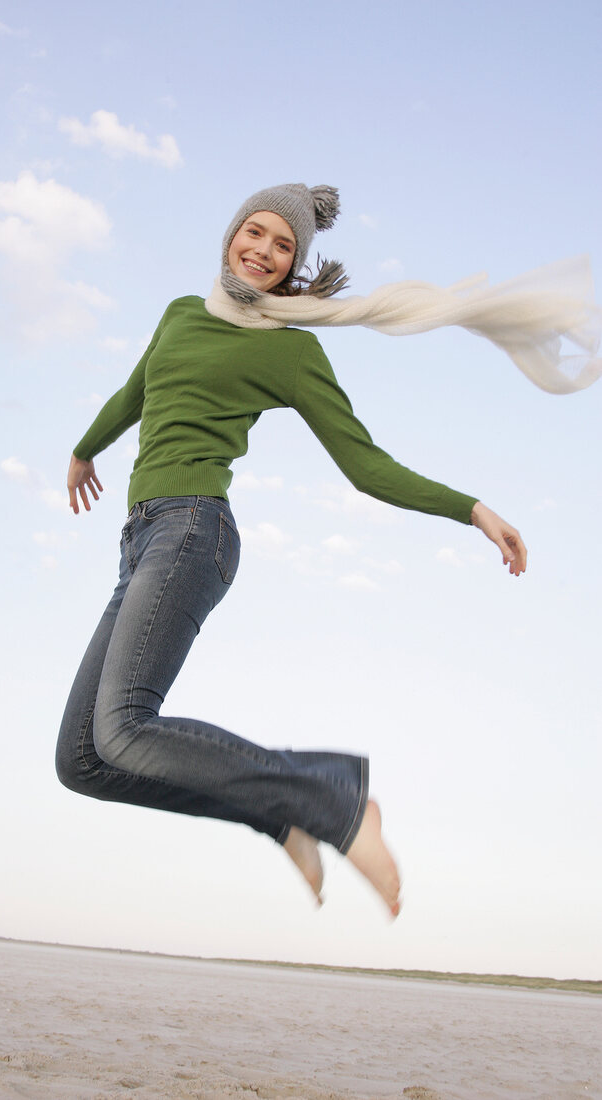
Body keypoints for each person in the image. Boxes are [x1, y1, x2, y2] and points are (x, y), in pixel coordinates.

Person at [55, 183, 528, 918]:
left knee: (124, 728)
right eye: (255, 232)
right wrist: (85, 451)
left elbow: (365, 465)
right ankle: (278, 814)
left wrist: (470, 510)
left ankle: (334, 802)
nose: (264, 252)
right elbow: (135, 391)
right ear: (229, 235)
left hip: (191, 532)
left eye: (283, 246)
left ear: (296, 266)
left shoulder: (290, 349)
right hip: (142, 538)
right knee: (83, 761)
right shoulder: (181, 313)